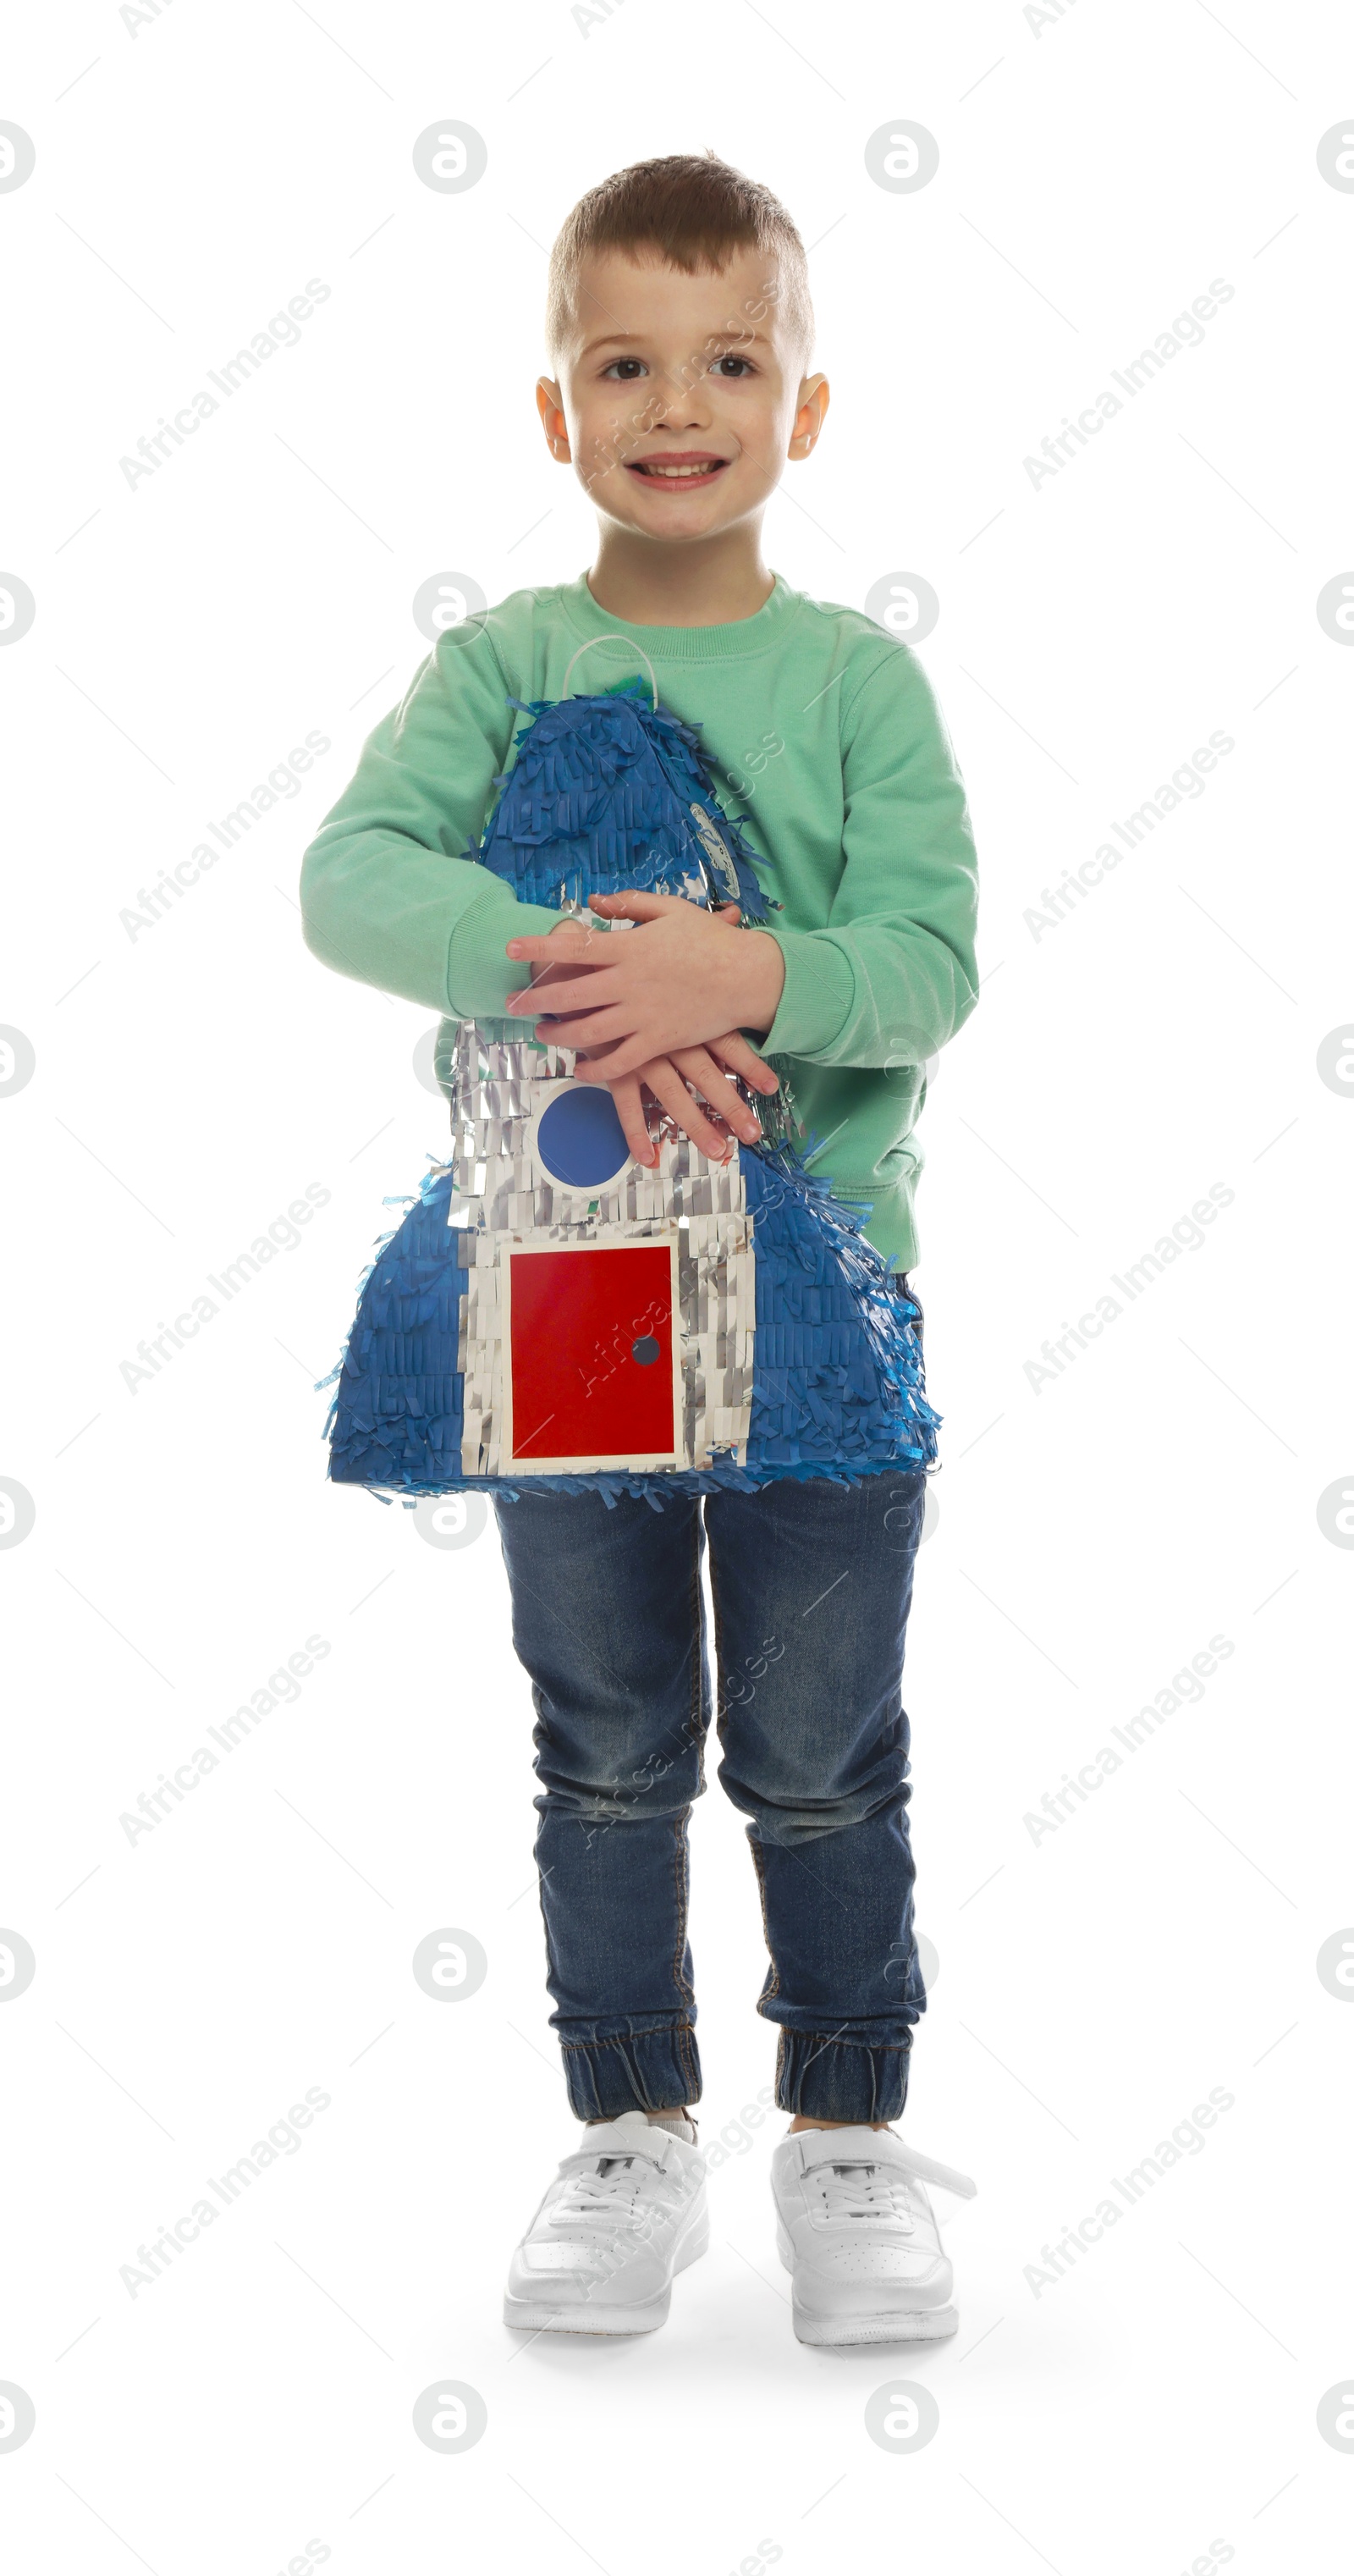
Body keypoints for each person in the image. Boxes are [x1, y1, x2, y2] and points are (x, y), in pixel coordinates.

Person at [300, 152, 980, 2346]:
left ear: (806, 405)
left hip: (822, 1304)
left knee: (817, 1741)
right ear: (554, 409)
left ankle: (850, 2132)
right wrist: (587, 966)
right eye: (623, 361)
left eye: (730, 358)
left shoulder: (858, 681)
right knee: (603, 1737)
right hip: (574, 1284)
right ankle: (630, 2126)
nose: (675, 399)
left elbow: (928, 958)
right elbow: (350, 886)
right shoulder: (506, 663)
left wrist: (749, 975)